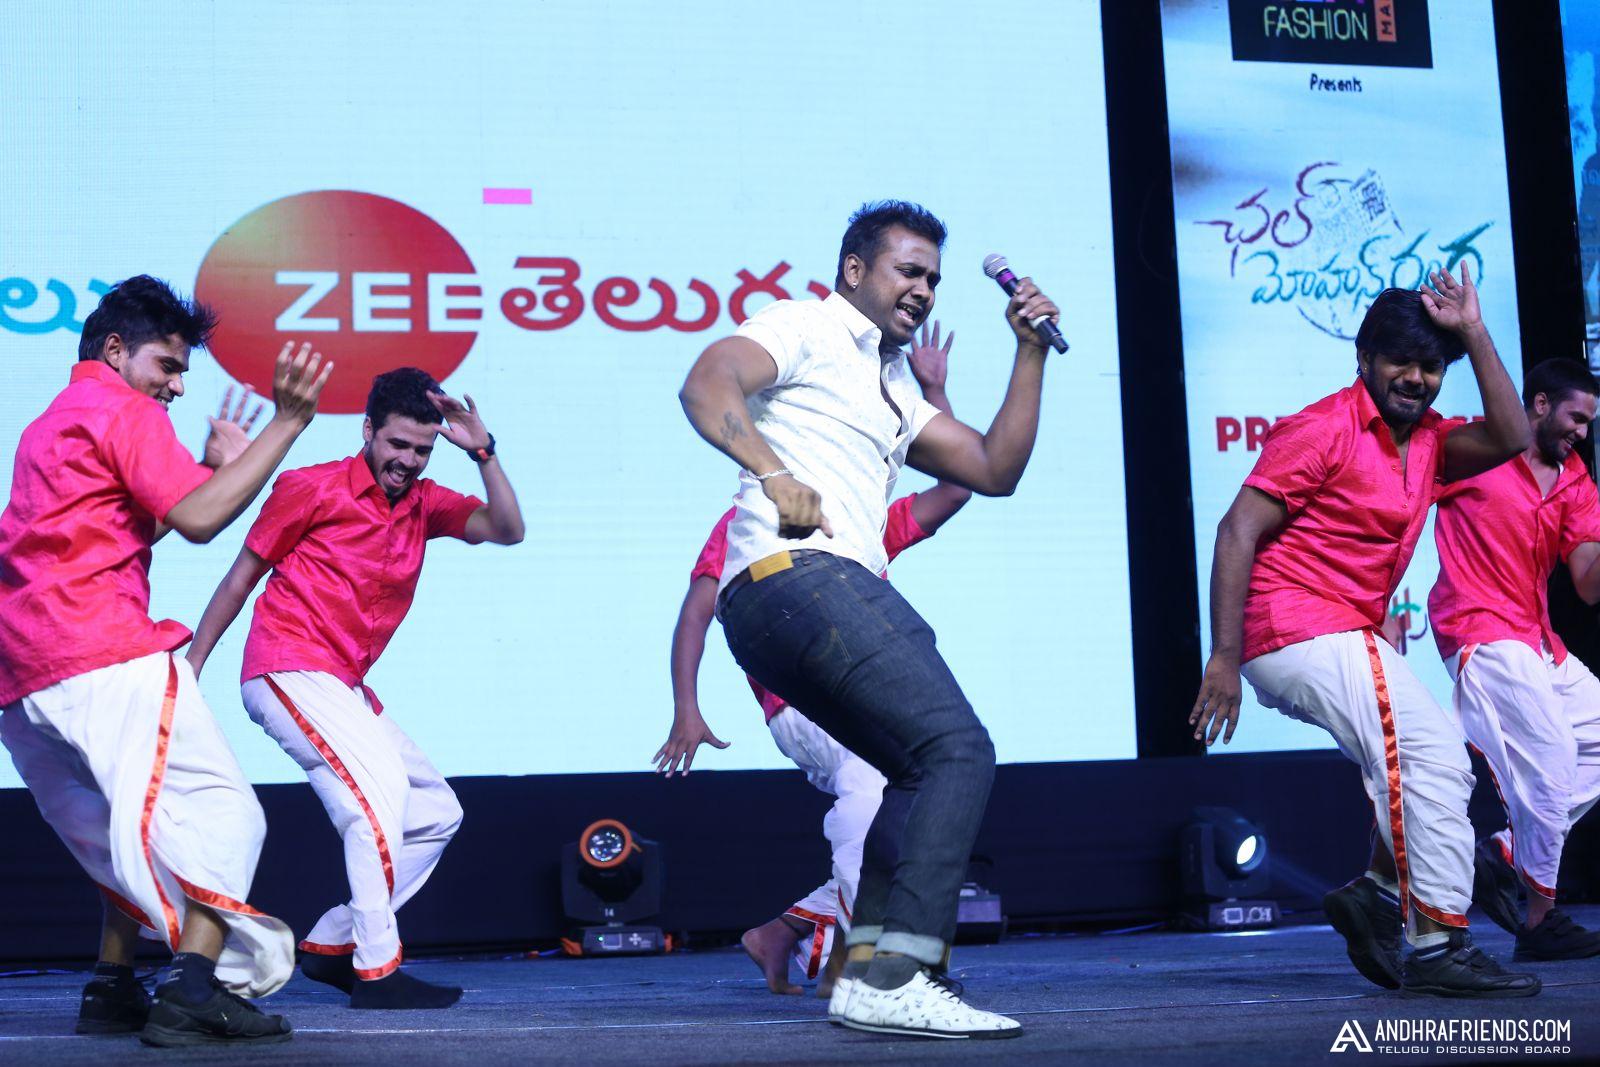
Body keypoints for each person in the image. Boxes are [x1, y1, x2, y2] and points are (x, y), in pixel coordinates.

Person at [678, 200, 1061, 1039]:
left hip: (789, 600)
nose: (923, 289)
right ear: (855, 270)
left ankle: (869, 973)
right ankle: (901, 974)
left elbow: (993, 467)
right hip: (800, 576)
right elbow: (706, 381)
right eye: (907, 270)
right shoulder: (807, 325)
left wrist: (1029, 350)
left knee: (913, 769)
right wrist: (773, 472)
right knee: (957, 747)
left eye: (933, 278)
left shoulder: (891, 387)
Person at [1190, 266, 1542, 997]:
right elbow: (1236, 530)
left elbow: (1514, 435)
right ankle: (1438, 944)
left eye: (1430, 366)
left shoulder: (1432, 442)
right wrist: (1222, 656)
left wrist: (1474, 332)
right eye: (1400, 361)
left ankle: (1378, 894)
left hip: (1338, 628)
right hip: (1293, 622)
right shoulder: (1324, 427)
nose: (1415, 378)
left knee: (1416, 760)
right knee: (1433, 756)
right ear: (1364, 358)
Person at [0, 275, 332, 1046]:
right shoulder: (126, 410)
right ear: (116, 349)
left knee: (135, 825)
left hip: (24, 681)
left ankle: (111, 984)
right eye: (168, 365)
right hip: (99, 651)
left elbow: (118, 526)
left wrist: (214, 469)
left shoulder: (53, 419)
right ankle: (191, 989)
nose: (177, 385)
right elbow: (201, 518)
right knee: (224, 814)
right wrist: (287, 422)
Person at [185, 368, 524, 1010]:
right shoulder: (310, 486)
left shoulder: (425, 503)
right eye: (398, 444)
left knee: (435, 813)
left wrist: (484, 453)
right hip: (287, 667)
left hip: (342, 685)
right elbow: (240, 578)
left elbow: (508, 529)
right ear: (368, 431)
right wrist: (193, 665)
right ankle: (376, 969)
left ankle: (334, 943)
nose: (408, 460)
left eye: (422, 449)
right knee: (377, 800)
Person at [656, 323, 970, 999]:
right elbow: (696, 613)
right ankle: (869, 970)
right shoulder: (750, 520)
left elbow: (954, 489)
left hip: (857, 690)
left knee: (911, 806)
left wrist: (933, 392)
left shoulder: (862, 519)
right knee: (873, 792)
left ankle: (790, 932)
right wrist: (687, 708)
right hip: (804, 699)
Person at [1426, 358, 1600, 960]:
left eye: (1590, 423)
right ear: (1541, 404)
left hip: (1538, 640)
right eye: (1576, 417)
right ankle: (1538, 918)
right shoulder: (1474, 449)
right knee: (1552, 755)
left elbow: (1588, 584)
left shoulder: (1575, 479)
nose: (1582, 432)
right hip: (1478, 628)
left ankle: (1505, 854)